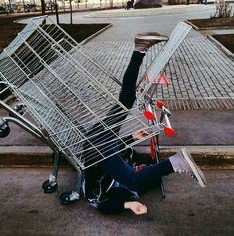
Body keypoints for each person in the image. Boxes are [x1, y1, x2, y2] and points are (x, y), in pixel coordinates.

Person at [82, 33, 206, 215]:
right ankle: (140, 48)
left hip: (95, 145)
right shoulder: (128, 164)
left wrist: (127, 205)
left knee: (134, 180)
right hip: (102, 140)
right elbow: (122, 155)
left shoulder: (105, 189)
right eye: (144, 169)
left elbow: (101, 205)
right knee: (127, 98)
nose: (141, 167)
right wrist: (132, 138)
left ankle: (175, 163)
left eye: (143, 170)